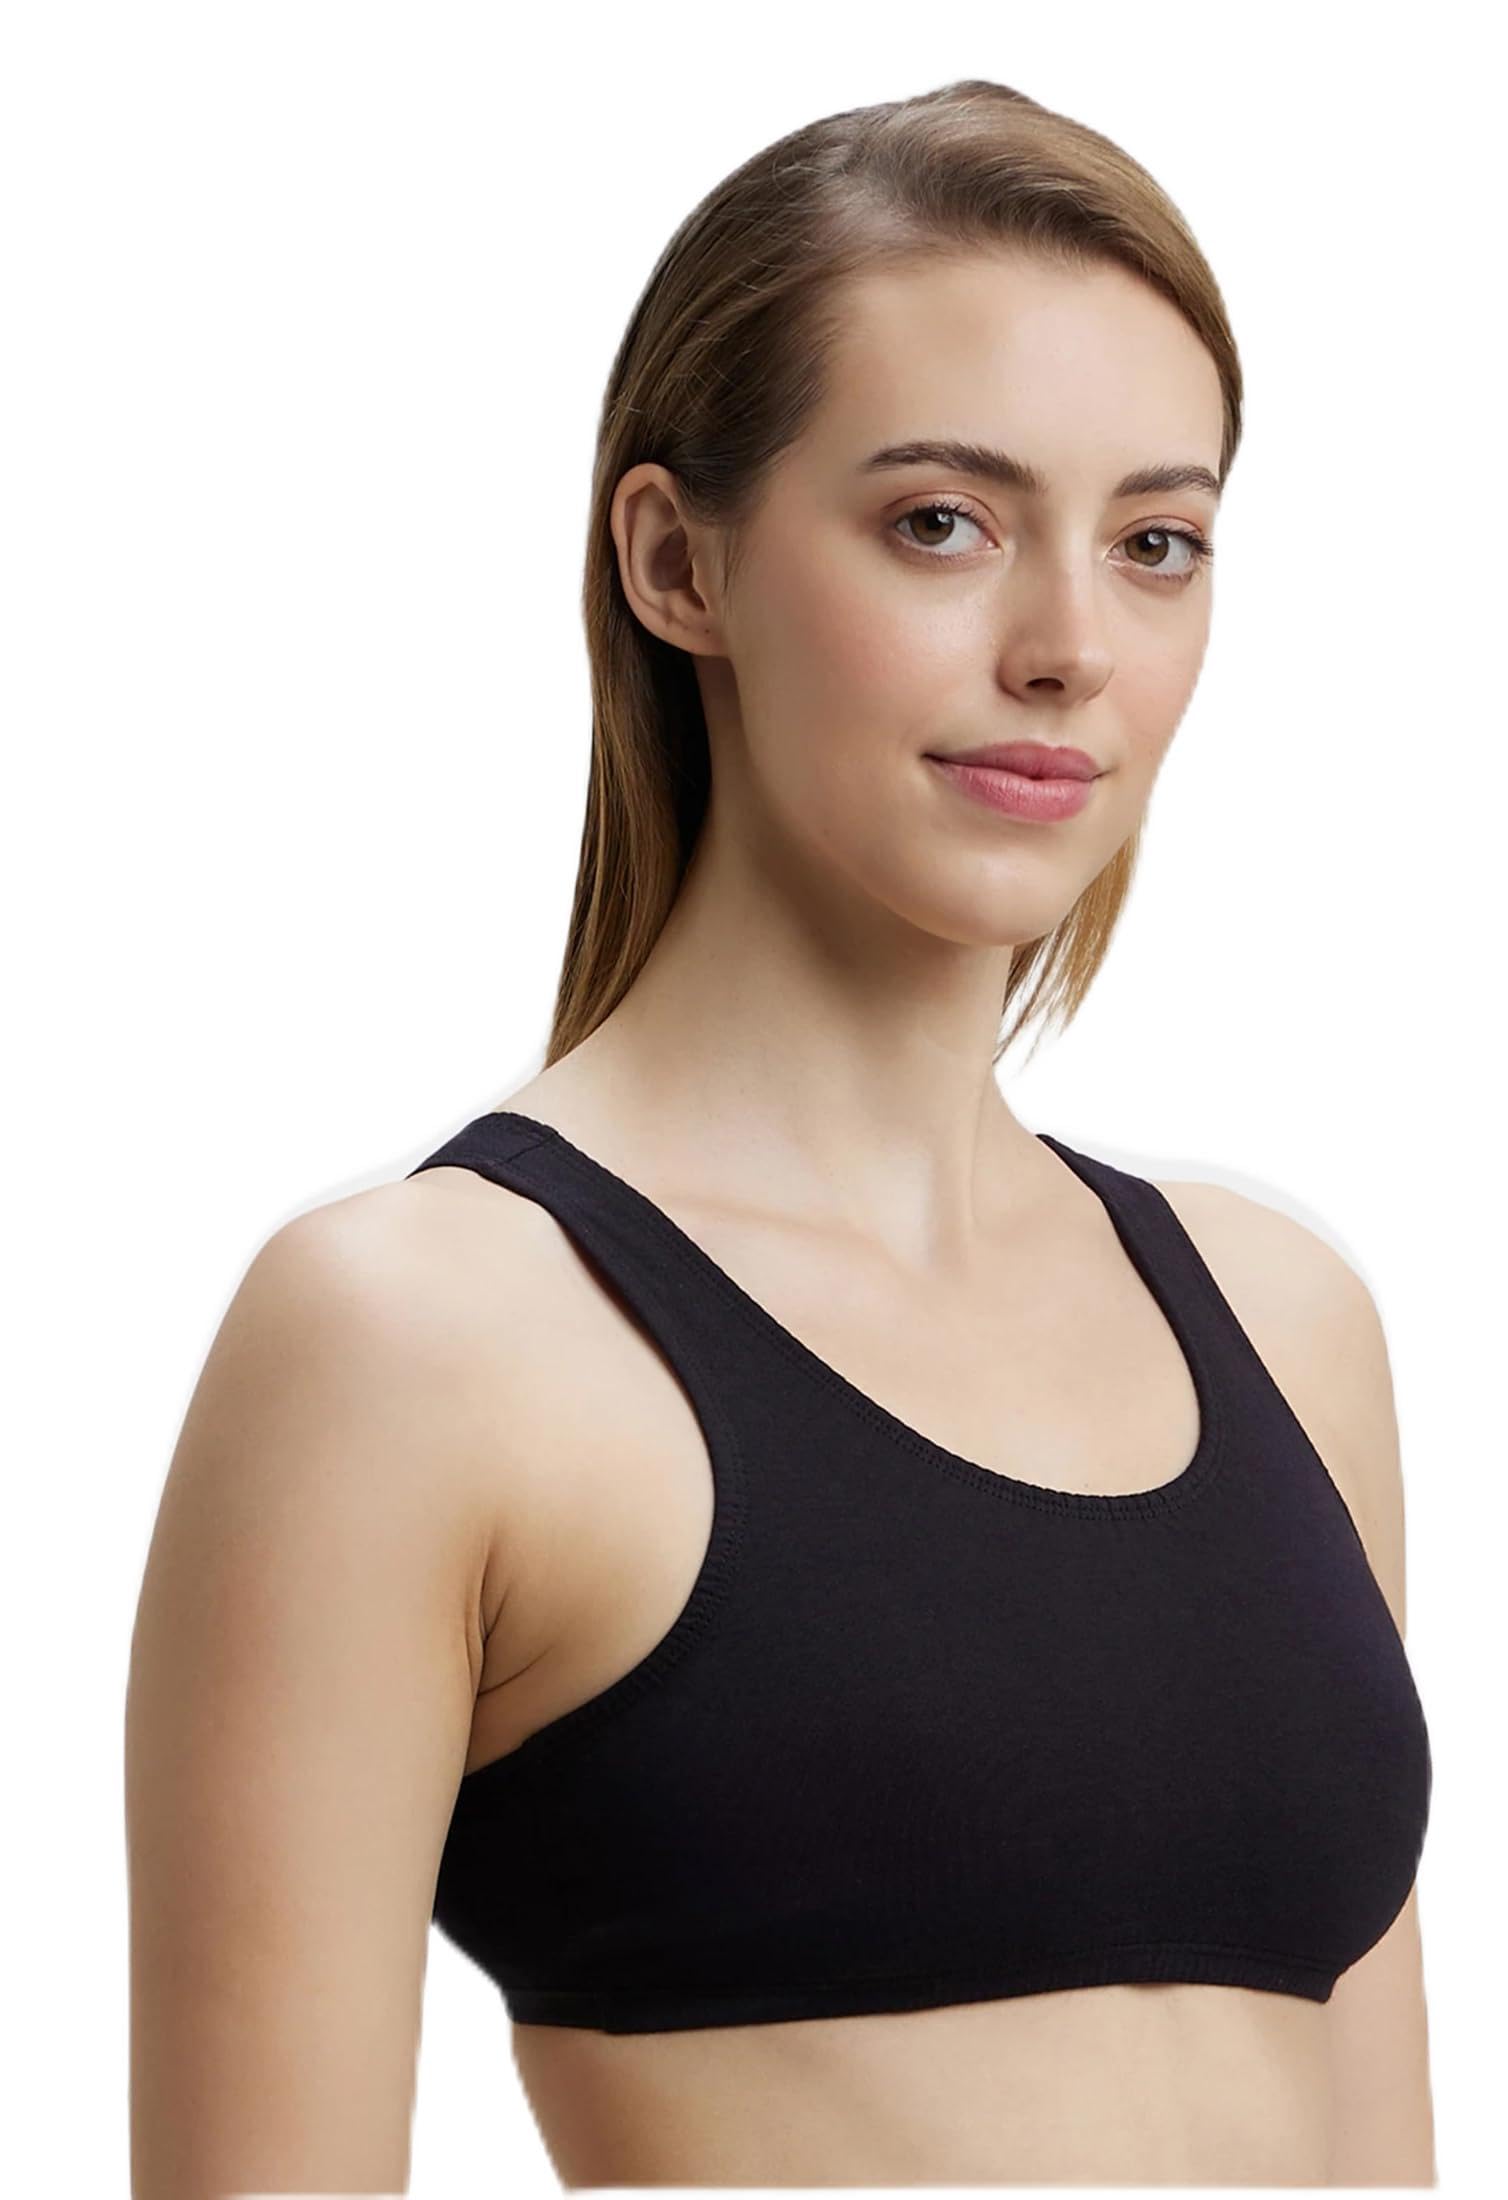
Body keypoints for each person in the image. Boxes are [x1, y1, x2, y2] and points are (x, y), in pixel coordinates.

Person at [126, 78, 1435, 2193]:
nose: (1068, 649)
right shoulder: (422, 1336)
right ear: (680, 561)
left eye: (1155, 544)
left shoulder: (1287, 1322)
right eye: (942, 522)